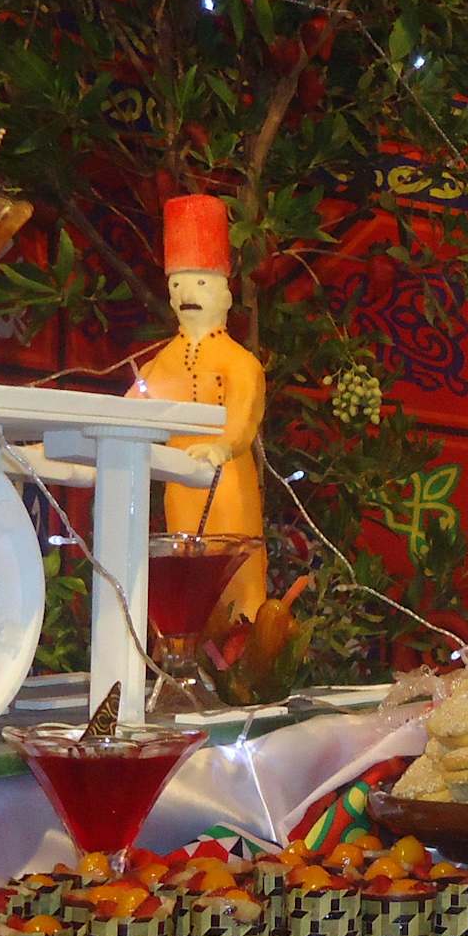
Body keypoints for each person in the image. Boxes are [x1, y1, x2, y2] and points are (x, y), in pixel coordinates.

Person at [135, 194, 267, 619]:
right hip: (180, 488)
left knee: (238, 578)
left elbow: (243, 418)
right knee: (187, 581)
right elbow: (131, 409)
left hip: (227, 484)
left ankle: (241, 644)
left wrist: (222, 447)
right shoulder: (162, 362)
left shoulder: (240, 362)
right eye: (177, 285)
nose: (187, 294)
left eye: (201, 284)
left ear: (226, 296)